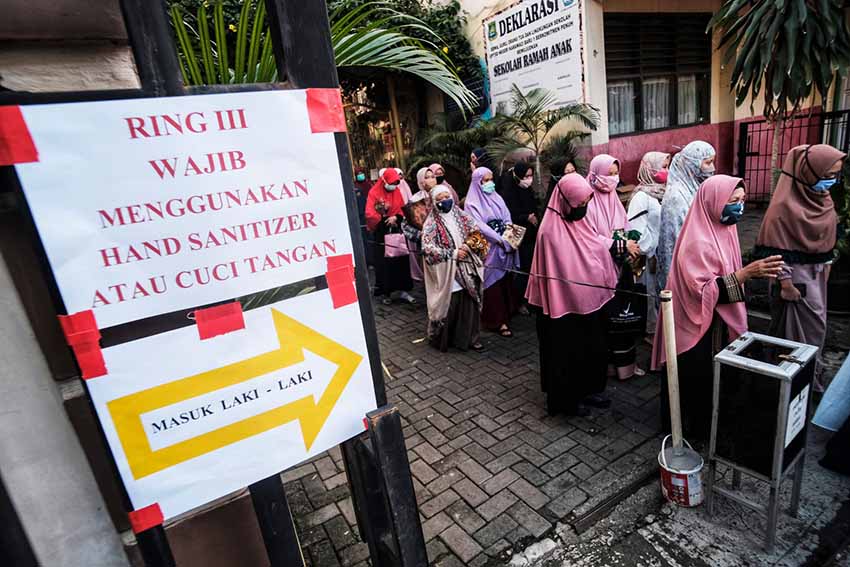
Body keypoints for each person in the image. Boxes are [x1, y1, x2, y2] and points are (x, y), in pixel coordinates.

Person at [651, 175, 783, 442]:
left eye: (742, 200)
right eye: (733, 201)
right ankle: (685, 430)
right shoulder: (697, 241)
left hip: (716, 320)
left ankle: (706, 426)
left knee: (712, 379)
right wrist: (745, 275)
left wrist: (744, 275)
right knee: (693, 378)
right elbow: (700, 292)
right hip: (693, 323)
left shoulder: (725, 229)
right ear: (713, 202)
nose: (740, 207)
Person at [754, 144, 846, 392]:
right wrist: (786, 284)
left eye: (834, 175)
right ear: (807, 172)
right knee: (795, 335)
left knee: (816, 330)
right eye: (826, 176)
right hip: (795, 282)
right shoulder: (782, 207)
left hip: (818, 278)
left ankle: (807, 376)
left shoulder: (821, 199)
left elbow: (829, 238)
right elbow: (775, 250)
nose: (830, 182)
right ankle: (793, 383)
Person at [526, 173, 620, 417]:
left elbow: (593, 245)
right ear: (565, 201)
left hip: (591, 302)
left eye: (586, 203)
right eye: (579, 205)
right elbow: (562, 271)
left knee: (592, 349)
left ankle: (590, 390)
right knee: (565, 354)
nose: (583, 209)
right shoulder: (550, 232)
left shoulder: (579, 220)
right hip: (563, 308)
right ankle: (566, 402)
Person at [586, 154, 642, 383]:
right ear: (594, 174)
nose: (612, 179)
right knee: (606, 320)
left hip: (622, 267)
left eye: (615, 174)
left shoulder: (614, 199)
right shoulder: (587, 201)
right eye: (608, 174)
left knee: (624, 318)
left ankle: (626, 367)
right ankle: (607, 367)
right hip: (599, 271)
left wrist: (631, 242)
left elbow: (625, 226)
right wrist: (617, 244)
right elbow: (587, 237)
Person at [421, 185, 485, 352]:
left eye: (446, 197)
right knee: (450, 303)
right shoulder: (430, 224)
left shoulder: (462, 216)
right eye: (439, 199)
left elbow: (476, 233)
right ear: (434, 202)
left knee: (469, 302)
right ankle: (446, 339)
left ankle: (470, 338)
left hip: (467, 268)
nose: (444, 201)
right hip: (446, 272)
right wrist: (453, 253)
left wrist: (467, 247)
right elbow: (428, 249)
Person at [465, 166, 520, 337]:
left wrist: (508, 236)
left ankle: (508, 312)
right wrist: (499, 239)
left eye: (491, 179)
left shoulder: (497, 197)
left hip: (504, 246)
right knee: (492, 284)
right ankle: (496, 320)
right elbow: (479, 226)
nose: (490, 184)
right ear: (477, 183)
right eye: (486, 181)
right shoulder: (471, 203)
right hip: (489, 249)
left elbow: (507, 217)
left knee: (506, 281)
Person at [656, 141, 717, 293]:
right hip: (683, 274)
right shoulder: (676, 198)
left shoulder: (695, 188)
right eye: (708, 162)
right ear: (692, 164)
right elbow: (672, 244)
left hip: (698, 266)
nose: (712, 168)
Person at [627, 151, 671, 339]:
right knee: (649, 294)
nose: (666, 171)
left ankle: (659, 328)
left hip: (662, 253)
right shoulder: (641, 196)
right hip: (648, 257)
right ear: (649, 168)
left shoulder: (663, 191)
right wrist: (650, 251)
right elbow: (635, 230)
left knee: (659, 294)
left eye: (667, 167)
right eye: (663, 166)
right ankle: (650, 332)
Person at [365, 168, 415, 305]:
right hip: (382, 233)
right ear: (384, 180)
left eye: (395, 183)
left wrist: (396, 217)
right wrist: (384, 218)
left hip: (397, 231)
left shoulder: (396, 191)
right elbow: (370, 214)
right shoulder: (374, 192)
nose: (393, 186)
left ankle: (404, 291)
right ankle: (386, 292)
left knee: (401, 260)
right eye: (391, 183)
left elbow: (401, 208)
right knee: (384, 264)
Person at [500, 161, 539, 310]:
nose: (528, 179)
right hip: (518, 236)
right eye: (526, 176)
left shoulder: (527, 190)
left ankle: (529, 299)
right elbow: (509, 214)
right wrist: (526, 217)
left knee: (530, 268)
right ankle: (519, 302)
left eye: (530, 176)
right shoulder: (509, 191)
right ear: (517, 176)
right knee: (522, 269)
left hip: (530, 235)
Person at [353, 168, 372, 262]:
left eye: (362, 173)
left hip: (370, 214)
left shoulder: (368, 185)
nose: (361, 175)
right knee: (364, 239)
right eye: (358, 174)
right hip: (361, 216)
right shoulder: (355, 187)